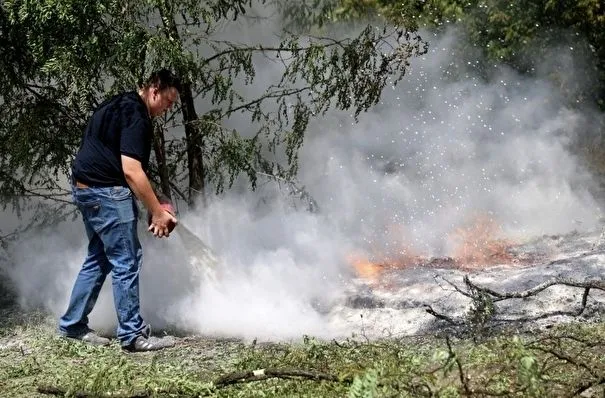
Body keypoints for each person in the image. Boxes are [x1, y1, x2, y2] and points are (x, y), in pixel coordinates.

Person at [58, 69, 181, 352]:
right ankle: (132, 335)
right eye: (168, 101)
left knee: (99, 256)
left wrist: (156, 201)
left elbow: (125, 163)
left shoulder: (119, 103)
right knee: (127, 258)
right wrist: (158, 212)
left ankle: (72, 324)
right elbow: (131, 171)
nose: (168, 109)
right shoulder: (137, 116)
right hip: (106, 192)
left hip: (85, 188)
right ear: (154, 91)